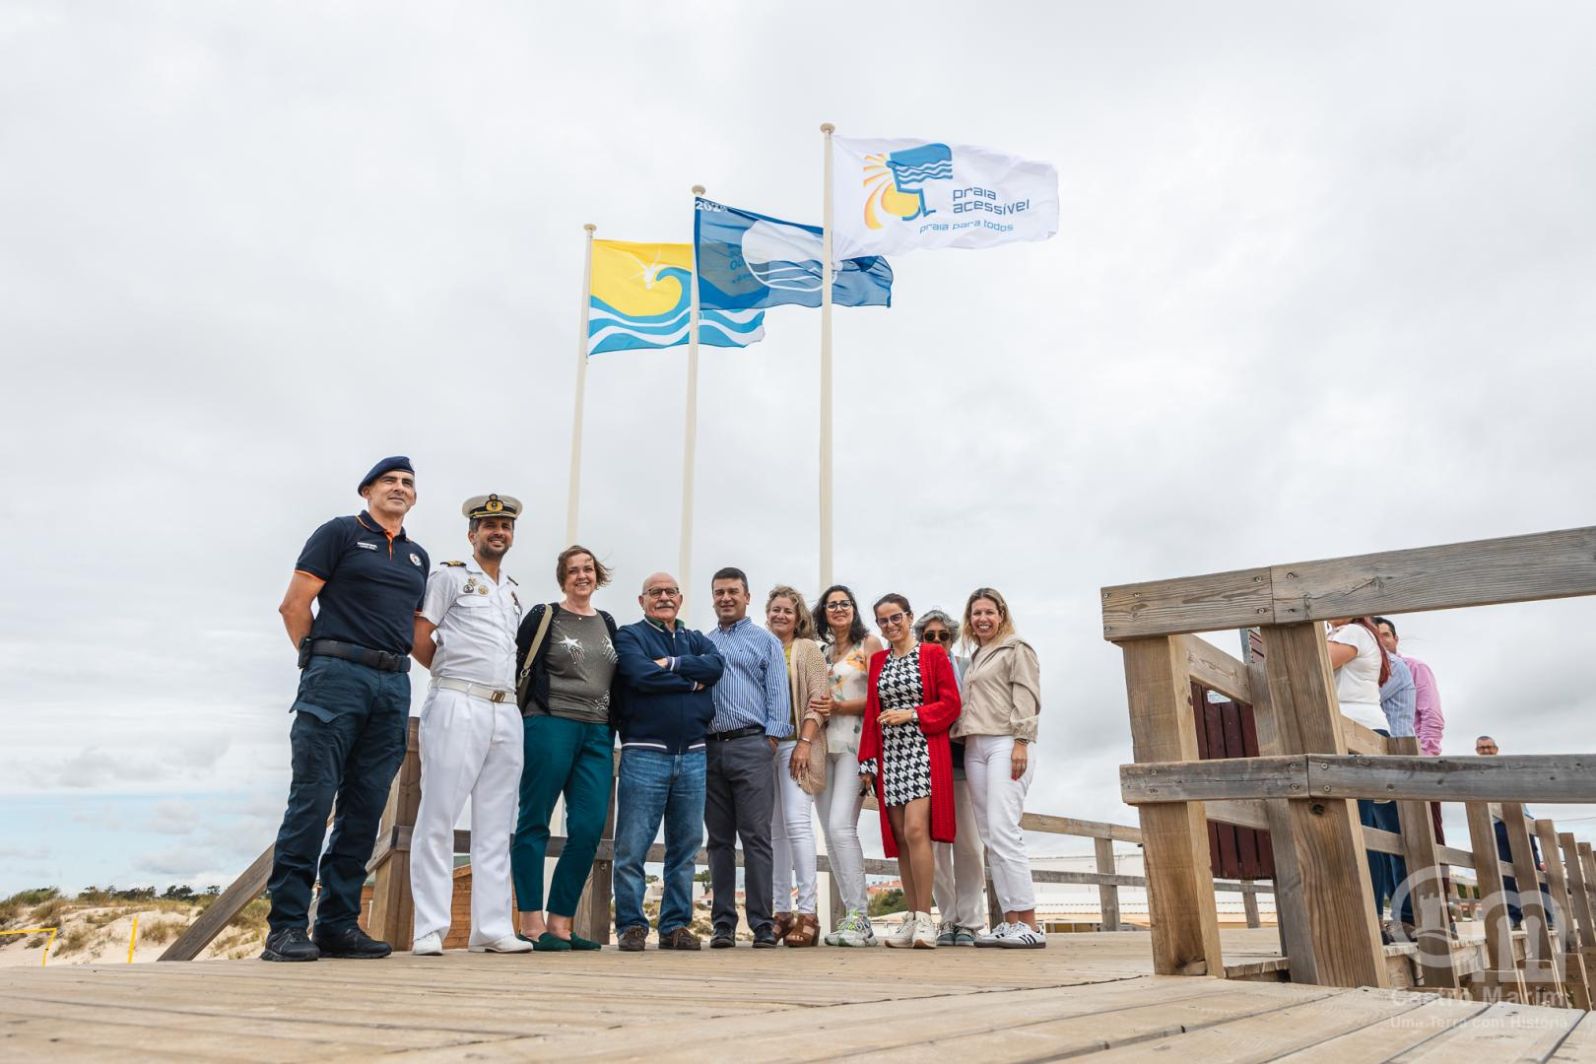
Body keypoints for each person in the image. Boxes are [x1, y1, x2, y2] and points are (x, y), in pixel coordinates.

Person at [263, 457, 429, 962]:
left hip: (393, 683)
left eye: (407, 484)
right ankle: (287, 926)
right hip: (336, 676)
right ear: (367, 491)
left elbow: (417, 626)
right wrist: (316, 662)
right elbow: (295, 605)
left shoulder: (418, 557)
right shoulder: (337, 533)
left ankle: (337, 924)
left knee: (364, 809)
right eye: (390, 482)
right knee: (312, 801)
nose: (399, 488)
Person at [408, 494, 530, 956]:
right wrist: (447, 675)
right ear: (472, 533)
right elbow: (421, 636)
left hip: (505, 708)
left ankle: (493, 926)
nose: (498, 532)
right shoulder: (450, 577)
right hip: (459, 698)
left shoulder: (513, 591)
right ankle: (429, 926)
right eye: (490, 525)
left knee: (497, 823)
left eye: (505, 526)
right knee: (438, 813)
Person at [510, 545, 624, 951]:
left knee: (589, 827)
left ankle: (560, 923)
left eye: (588, 569)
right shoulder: (545, 616)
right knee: (535, 820)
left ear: (597, 575)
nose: (582, 575)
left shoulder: (607, 622)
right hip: (549, 723)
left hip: (597, 733)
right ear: (563, 578)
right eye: (574, 570)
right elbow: (517, 663)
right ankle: (530, 924)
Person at [611, 572, 723, 951]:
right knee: (631, 846)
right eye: (655, 592)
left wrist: (670, 664)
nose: (663, 597)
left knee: (686, 847)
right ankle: (630, 925)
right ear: (641, 601)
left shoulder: (695, 639)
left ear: (680, 598)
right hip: (645, 753)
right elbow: (639, 675)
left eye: (670, 591)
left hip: (692, 755)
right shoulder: (630, 635)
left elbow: (715, 668)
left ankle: (674, 925)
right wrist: (691, 681)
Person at [858, 594, 962, 949]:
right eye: (883, 620)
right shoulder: (878, 661)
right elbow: (873, 710)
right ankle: (914, 916)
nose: (890, 625)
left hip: (923, 751)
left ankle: (928, 921)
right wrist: (867, 762)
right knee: (901, 835)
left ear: (908, 616)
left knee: (918, 830)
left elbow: (951, 704)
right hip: (891, 755)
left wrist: (912, 713)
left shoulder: (932, 655)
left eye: (896, 617)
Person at [703, 567, 793, 948]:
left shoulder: (765, 641)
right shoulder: (702, 643)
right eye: (720, 592)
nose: (726, 598)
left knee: (756, 837)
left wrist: (770, 740)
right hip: (710, 747)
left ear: (747, 596)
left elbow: (778, 696)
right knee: (718, 841)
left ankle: (760, 923)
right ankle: (723, 923)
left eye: (733, 592)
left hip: (751, 745)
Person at [955, 589, 1045, 949]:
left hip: (1007, 742)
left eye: (989, 612)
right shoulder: (976, 656)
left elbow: (1027, 696)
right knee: (989, 835)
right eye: (976, 613)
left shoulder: (1016, 648)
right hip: (975, 745)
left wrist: (1022, 740)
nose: (982, 619)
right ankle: (1010, 922)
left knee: (1005, 828)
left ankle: (1031, 923)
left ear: (1001, 614)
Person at [812, 584, 882, 947]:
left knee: (842, 828)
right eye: (832, 605)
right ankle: (851, 916)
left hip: (856, 743)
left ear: (854, 610)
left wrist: (838, 707)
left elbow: (880, 695)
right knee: (829, 831)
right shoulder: (821, 651)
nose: (839, 609)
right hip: (824, 748)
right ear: (823, 612)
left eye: (845, 604)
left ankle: (861, 917)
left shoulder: (868, 645)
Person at [1327, 616, 1402, 938]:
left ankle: (1367, 921)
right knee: (1363, 827)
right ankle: (1369, 918)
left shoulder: (1354, 632)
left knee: (1359, 829)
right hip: (1359, 729)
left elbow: (1312, 663)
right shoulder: (1349, 633)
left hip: (1355, 730)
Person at [765, 585, 831, 947]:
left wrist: (804, 742)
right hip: (767, 746)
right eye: (775, 609)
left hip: (797, 743)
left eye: (787, 610)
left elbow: (820, 700)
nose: (780, 616)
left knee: (797, 824)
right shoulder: (762, 646)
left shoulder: (807, 651)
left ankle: (808, 912)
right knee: (774, 831)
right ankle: (780, 911)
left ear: (798, 615)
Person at [916, 609, 984, 947]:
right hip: (927, 763)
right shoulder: (915, 668)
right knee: (935, 846)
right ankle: (948, 917)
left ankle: (970, 920)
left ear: (952, 639)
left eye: (943, 636)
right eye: (930, 636)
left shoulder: (966, 668)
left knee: (969, 844)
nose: (938, 641)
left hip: (962, 761)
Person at [1477, 735, 1549, 929]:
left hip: (1521, 822)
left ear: (1497, 749)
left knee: (1533, 869)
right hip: (1496, 825)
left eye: (1489, 747)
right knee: (1505, 872)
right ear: (1477, 751)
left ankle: (1546, 916)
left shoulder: (1508, 768)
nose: (1486, 751)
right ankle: (1514, 917)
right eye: (1482, 748)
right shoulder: (1476, 773)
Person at [1374, 618, 1444, 756]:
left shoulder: (1415, 668)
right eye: (1376, 636)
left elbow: (1431, 714)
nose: (1381, 640)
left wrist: (1425, 756)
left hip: (1407, 750)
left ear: (1396, 639)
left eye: (1386, 635)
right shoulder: (1366, 671)